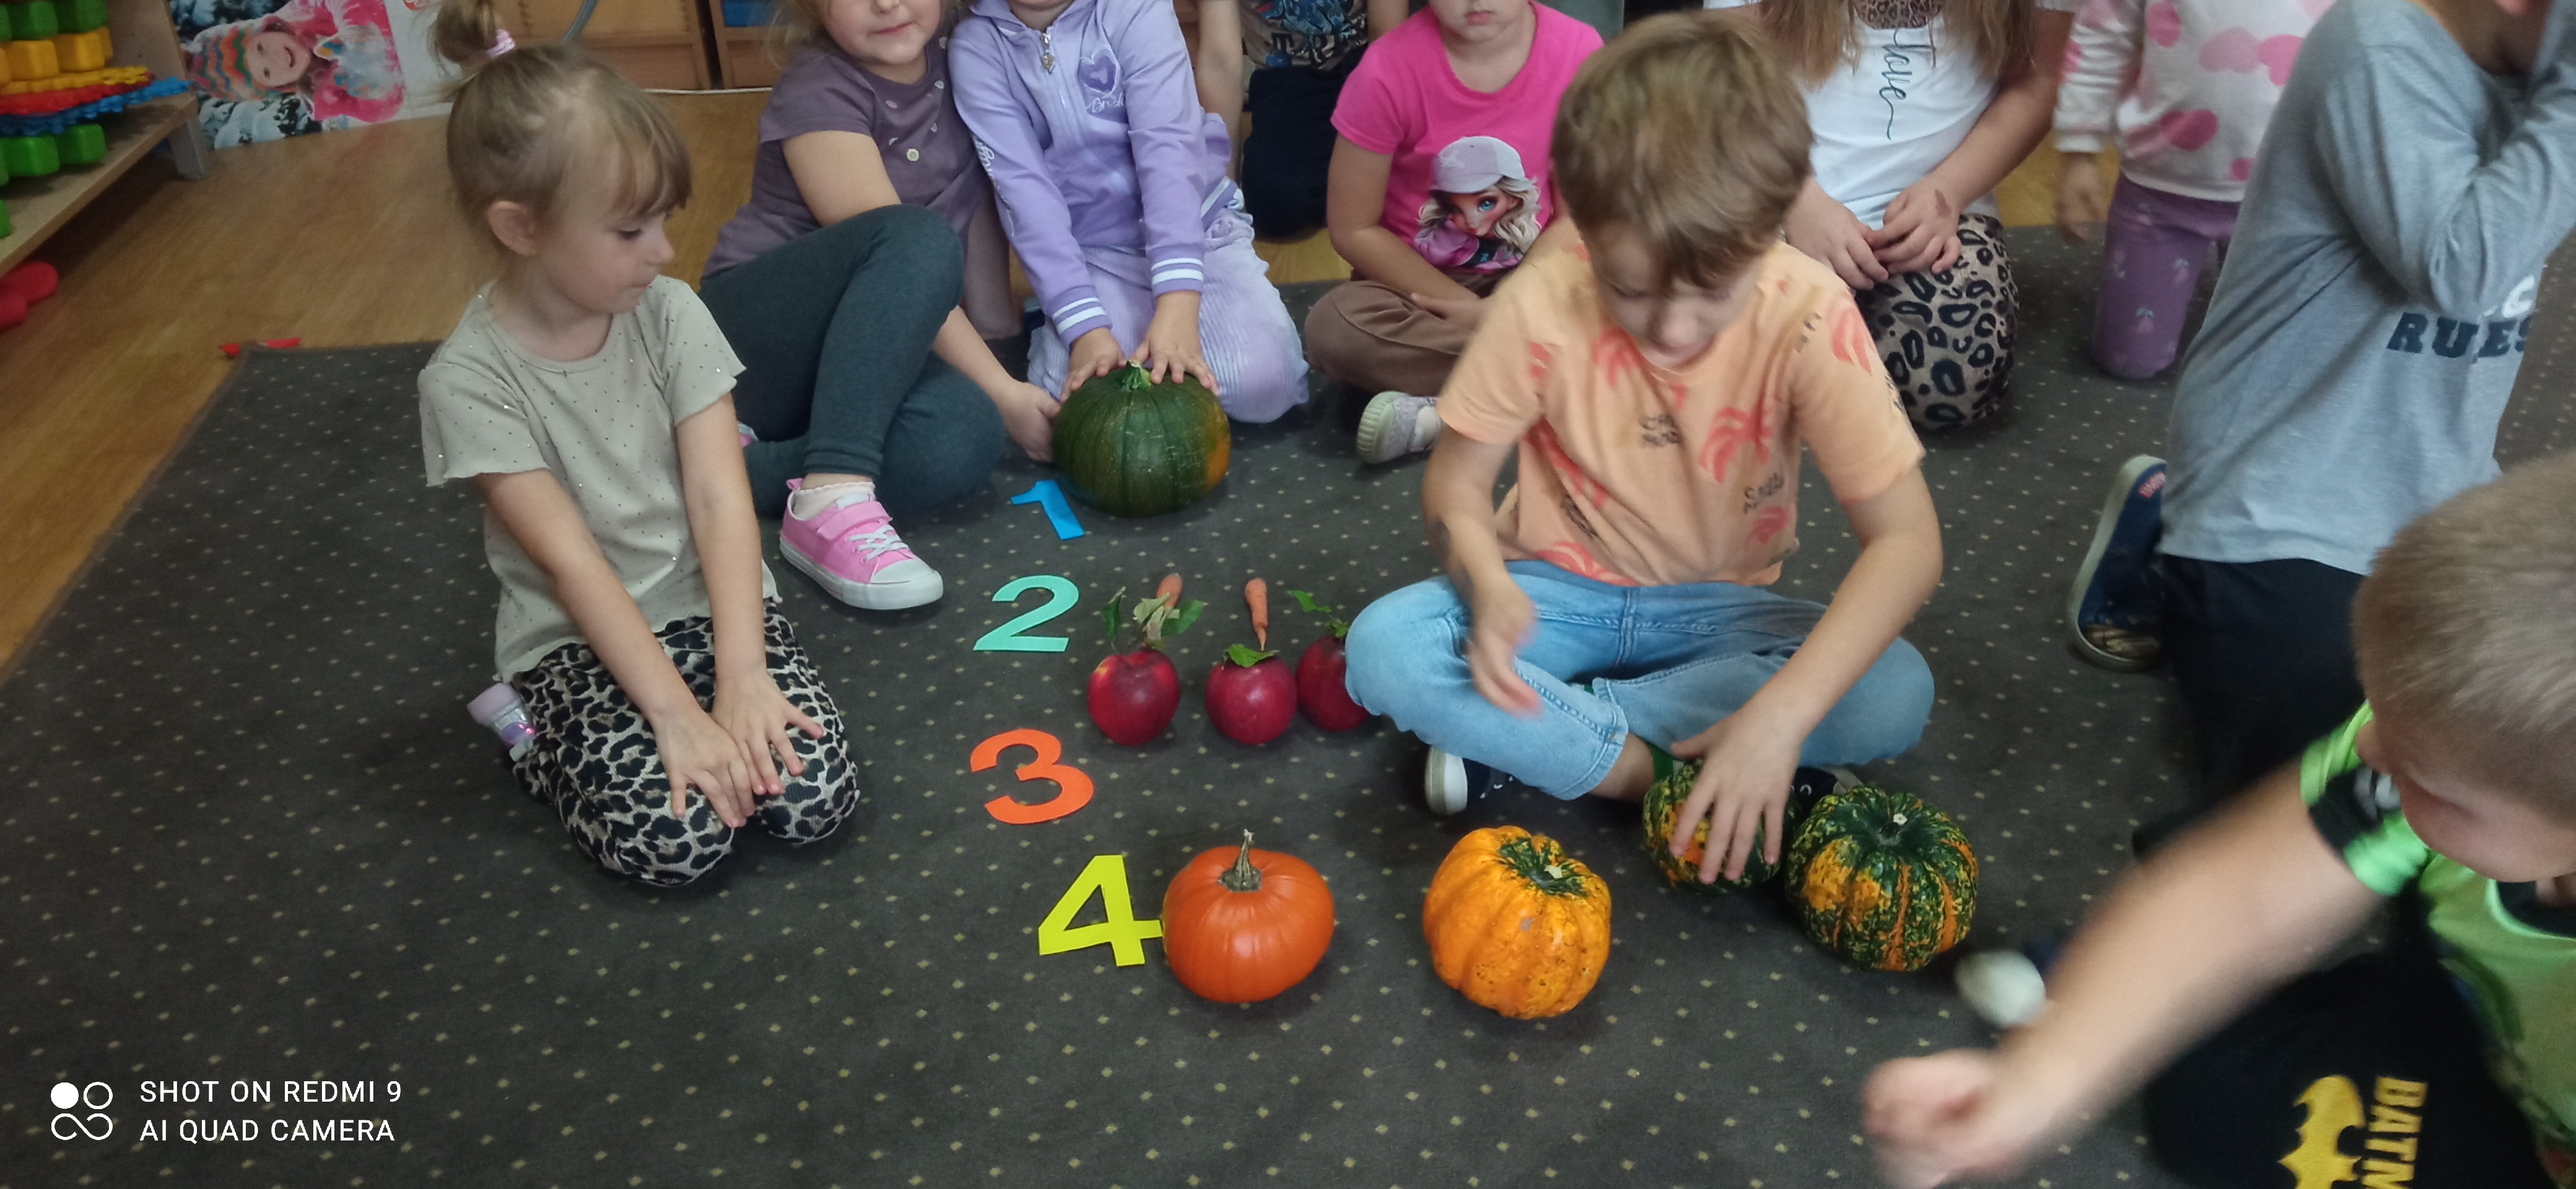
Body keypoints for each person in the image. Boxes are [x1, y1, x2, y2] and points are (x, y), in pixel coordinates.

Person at [1339, 12, 1941, 884]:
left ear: (1770, 231)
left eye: (1713, 293)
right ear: (1578, 223)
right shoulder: (1540, 298)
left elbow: (1908, 542)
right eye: (1629, 289)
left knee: (1898, 689)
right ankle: (1660, 777)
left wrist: (1780, 717)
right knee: (1385, 646)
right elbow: (1455, 488)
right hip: (1550, 593)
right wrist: (1488, 585)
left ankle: (1540, 733)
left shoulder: (1810, 311)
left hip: (1718, 612)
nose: (1671, 330)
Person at [1868, 453, 2576, 1189]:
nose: (2368, 752)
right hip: (2470, 1015)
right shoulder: (2443, 749)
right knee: (2205, 1102)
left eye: (2423, 778)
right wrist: (2035, 1081)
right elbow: (2237, 898)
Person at [2065, 0, 2576, 813]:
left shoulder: (2542, 72)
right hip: (2279, 490)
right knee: (2340, 791)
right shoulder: (2376, 43)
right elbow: (2463, 270)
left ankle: (2170, 524)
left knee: (2521, 760)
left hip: (2441, 493)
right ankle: (2173, 535)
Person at [415, 1, 858, 886]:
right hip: (576, 643)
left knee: (813, 799)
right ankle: (529, 743)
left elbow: (720, 498)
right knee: (677, 840)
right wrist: (676, 716)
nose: (662, 250)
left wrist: (741, 676)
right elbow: (573, 565)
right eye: (629, 231)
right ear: (520, 228)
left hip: (713, 607)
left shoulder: (671, 312)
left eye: (662, 219)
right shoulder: (465, 381)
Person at [702, 0, 1062, 611]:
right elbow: (902, 267)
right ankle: (830, 490)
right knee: (917, 239)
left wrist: (1002, 345)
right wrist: (1005, 393)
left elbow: (969, 193)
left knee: (965, 434)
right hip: (752, 344)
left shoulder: (959, 51)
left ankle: (721, 471)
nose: (887, 3)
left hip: (857, 361)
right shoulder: (818, 90)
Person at [1717, 0, 2076, 430]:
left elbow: (2040, 79)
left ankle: (1826, 351)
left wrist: (1949, 190)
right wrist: (1796, 199)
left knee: (1953, 385)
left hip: (1935, 210)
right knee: (1692, 343)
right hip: (1776, 183)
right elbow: (1723, 73)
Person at [949, 0, 1310, 422]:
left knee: (1267, 387)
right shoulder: (975, 50)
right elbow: (1026, 197)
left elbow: (1168, 152)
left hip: (1198, 229)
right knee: (1078, 404)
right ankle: (1067, 322)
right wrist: (1085, 330)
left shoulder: (1138, 8)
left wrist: (1178, 303)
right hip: (1092, 254)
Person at [1299, 0, 1601, 463]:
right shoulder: (1386, 70)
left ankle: (1451, 412)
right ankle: (1563, 386)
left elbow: (1575, 218)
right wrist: (1472, 311)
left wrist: (1506, 305)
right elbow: (1353, 228)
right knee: (1333, 327)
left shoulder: (1579, 52)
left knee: (1634, 281)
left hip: (1537, 274)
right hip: (1419, 293)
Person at [2052, 0, 2326, 380]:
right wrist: (2079, 151)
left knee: (2274, 364)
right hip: (2159, 194)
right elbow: (2101, 37)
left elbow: (2364, 57)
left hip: (2282, 196)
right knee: (2128, 361)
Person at [1188, 0, 1409, 240]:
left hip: (1367, 61)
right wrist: (1222, 194)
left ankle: (1348, 175)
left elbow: (1387, 36)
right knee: (1275, 202)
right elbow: (1220, 63)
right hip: (1288, 76)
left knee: (1409, 178)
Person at [184, 0, 407, 125]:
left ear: (267, 28)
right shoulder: (320, 93)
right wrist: (375, 93)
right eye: (267, 72)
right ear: (279, 87)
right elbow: (376, 114)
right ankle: (372, 70)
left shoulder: (302, 12)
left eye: (261, 48)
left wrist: (354, 29)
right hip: (410, 55)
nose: (275, 59)